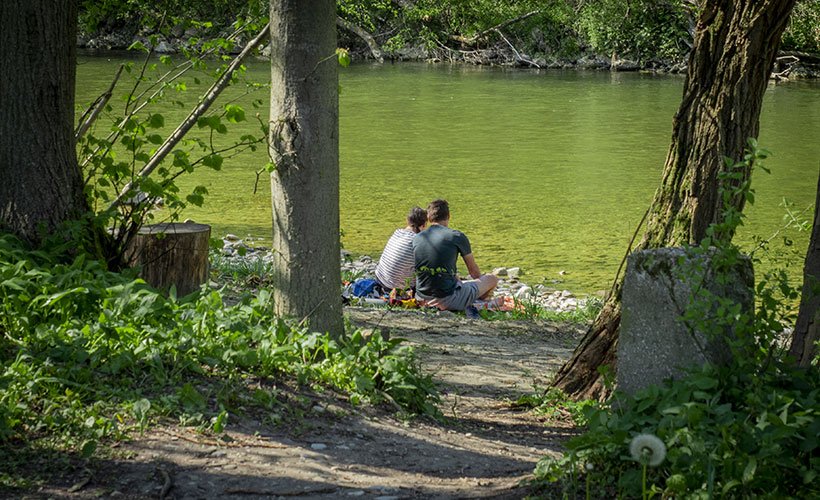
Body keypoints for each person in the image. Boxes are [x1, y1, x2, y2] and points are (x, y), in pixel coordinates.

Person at [413, 199, 498, 311]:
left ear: (429, 218)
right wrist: (482, 283)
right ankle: (477, 302)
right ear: (449, 216)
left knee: (454, 279)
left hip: (421, 297)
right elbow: (474, 272)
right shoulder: (456, 236)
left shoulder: (418, 237)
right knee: (492, 279)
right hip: (446, 300)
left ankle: (468, 296)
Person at [374, 206, 428, 290]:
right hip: (395, 288)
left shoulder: (397, 232)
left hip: (380, 278)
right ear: (423, 225)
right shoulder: (417, 241)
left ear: (408, 221)